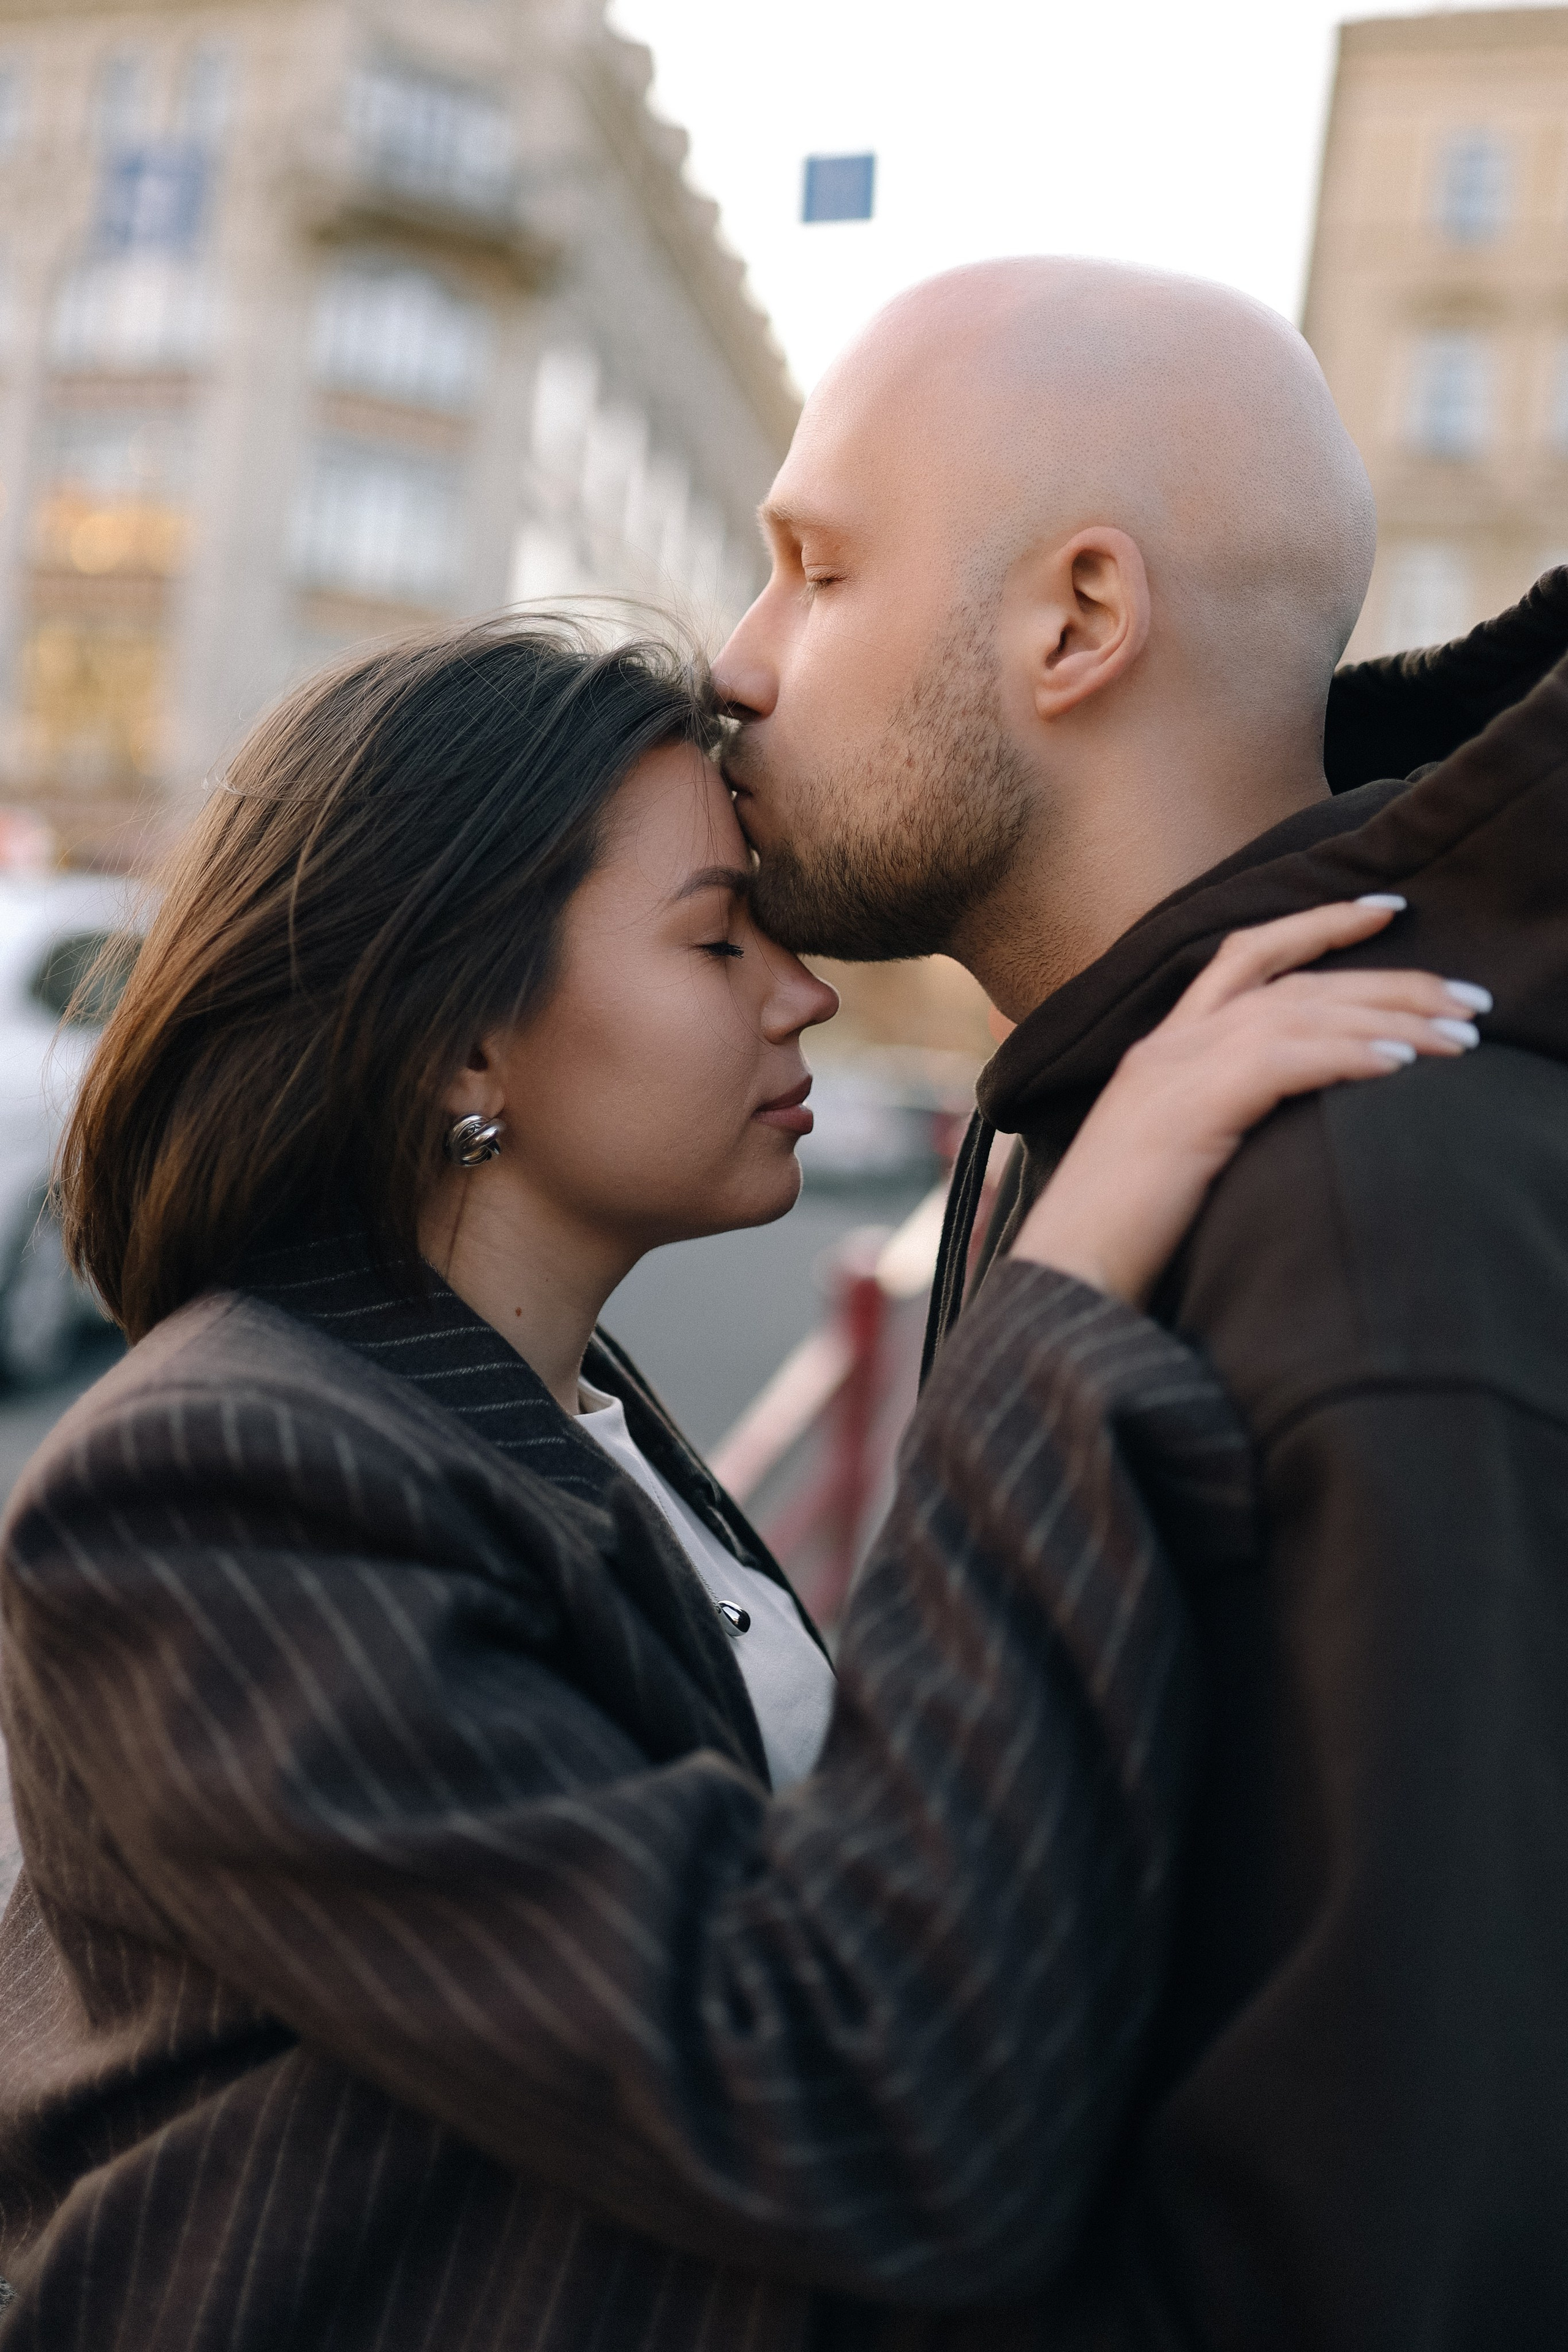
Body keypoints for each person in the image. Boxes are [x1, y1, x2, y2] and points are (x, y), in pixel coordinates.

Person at [0, 617, 1472, 2352]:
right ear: (459, 1042)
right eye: (719, 941)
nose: (807, 994)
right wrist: (1056, 1309)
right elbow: (842, 2096)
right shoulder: (219, 1481)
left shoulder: (560, 1412)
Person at [714, 256, 1568, 2348]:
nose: (734, 663)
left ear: (1077, 623)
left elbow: (1369, 2257)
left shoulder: (1372, 1210)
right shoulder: (1127, 1121)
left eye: (814, 571)